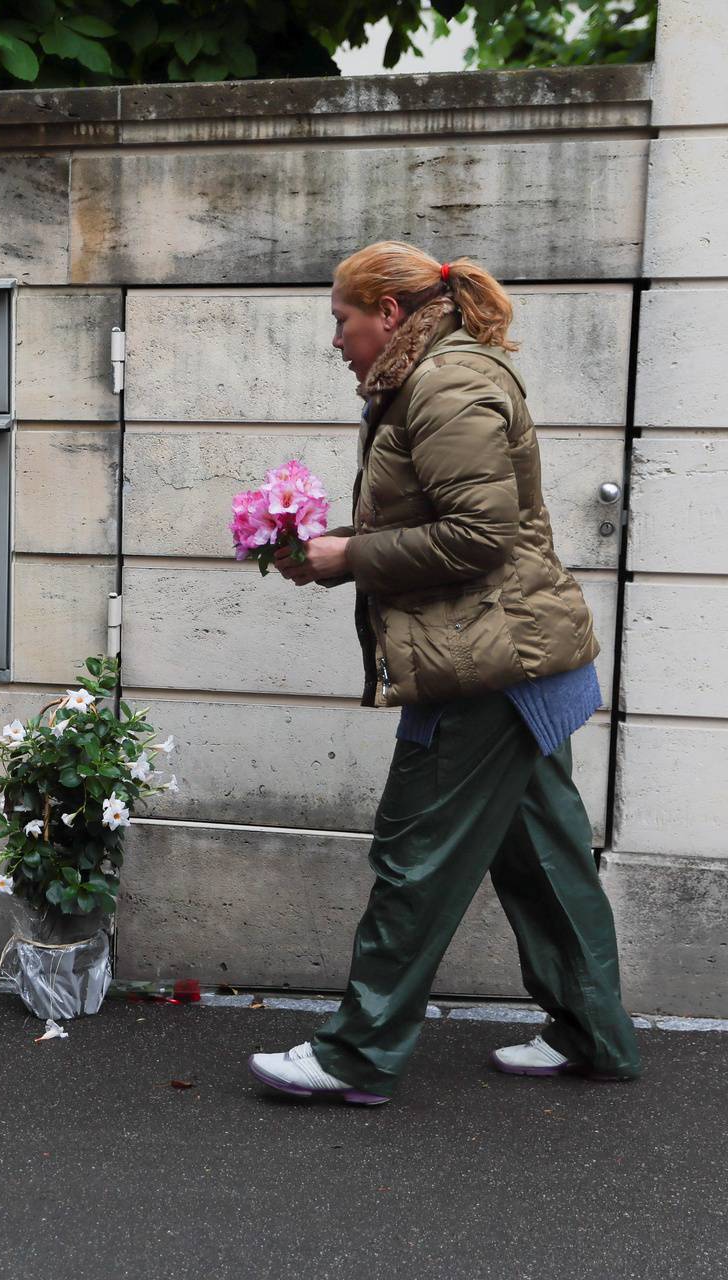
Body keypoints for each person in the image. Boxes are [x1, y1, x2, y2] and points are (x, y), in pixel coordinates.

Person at [246, 240, 642, 1105]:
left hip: (488, 665)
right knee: (545, 858)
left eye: (341, 320)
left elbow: (479, 536)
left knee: (416, 855)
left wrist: (349, 556)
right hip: (514, 657)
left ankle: (356, 1055)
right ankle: (595, 1035)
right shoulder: (428, 374)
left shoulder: (445, 382)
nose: (336, 339)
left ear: (387, 313)